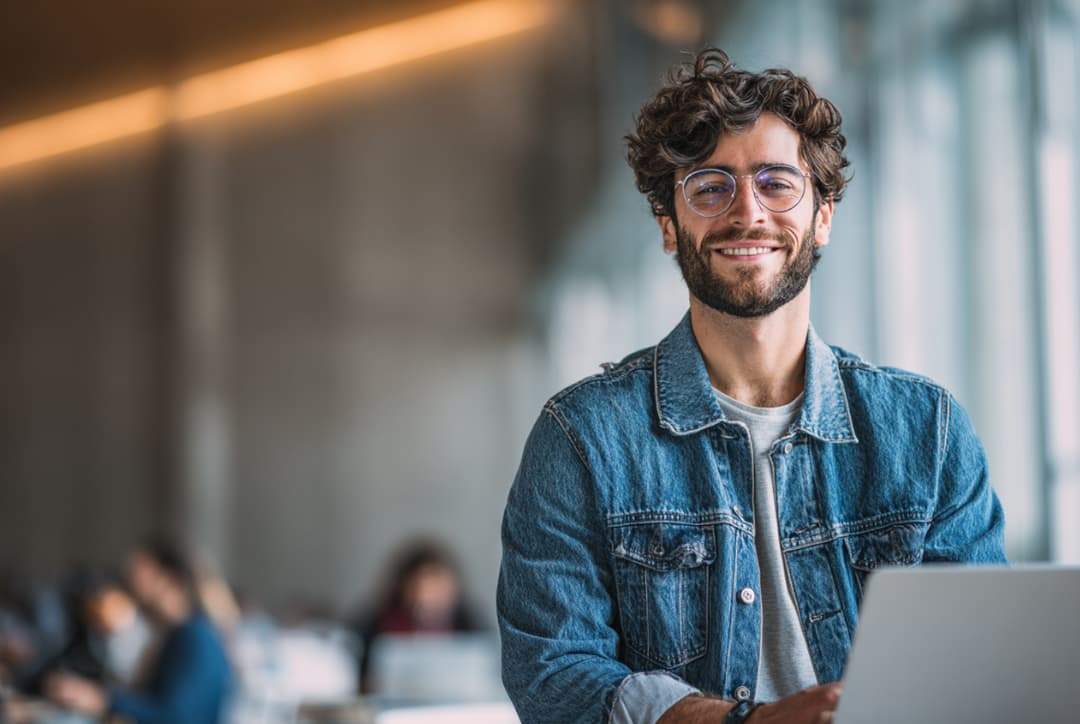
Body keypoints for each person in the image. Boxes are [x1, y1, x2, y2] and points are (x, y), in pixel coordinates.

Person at [497, 48, 1006, 724]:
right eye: (710, 187)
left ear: (822, 215)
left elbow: (983, 669)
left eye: (776, 183)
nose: (747, 212)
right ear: (669, 228)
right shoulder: (582, 437)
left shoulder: (927, 431)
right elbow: (554, 677)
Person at [44, 540, 232, 723]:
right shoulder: (176, 634)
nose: (129, 580)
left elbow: (177, 717)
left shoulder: (193, 636)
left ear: (170, 579)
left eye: (139, 572)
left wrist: (102, 699)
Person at [353, 539, 481, 693]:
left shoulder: (469, 625)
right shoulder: (375, 627)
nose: (432, 596)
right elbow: (359, 680)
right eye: (424, 587)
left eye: (439, 588)